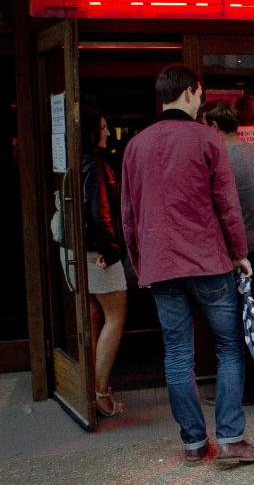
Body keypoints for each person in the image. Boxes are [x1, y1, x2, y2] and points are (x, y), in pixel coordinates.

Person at [121, 64, 254, 465]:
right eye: (200, 93)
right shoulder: (207, 139)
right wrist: (240, 253)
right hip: (208, 260)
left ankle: (192, 443)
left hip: (161, 265)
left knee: (176, 354)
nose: (202, 98)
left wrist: (140, 262)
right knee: (228, 348)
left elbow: (128, 212)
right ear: (189, 92)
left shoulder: (136, 145)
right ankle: (230, 439)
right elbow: (226, 205)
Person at [201, 101, 254, 404]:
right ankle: (250, 385)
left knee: (231, 327)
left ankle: (238, 390)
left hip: (229, 252)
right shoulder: (253, 153)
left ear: (213, 127)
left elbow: (218, 207)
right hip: (252, 243)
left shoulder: (220, 158)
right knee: (250, 320)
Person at [79, 109, 128, 417]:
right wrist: (112, 253)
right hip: (99, 254)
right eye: (103, 128)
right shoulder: (95, 168)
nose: (108, 133)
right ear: (91, 132)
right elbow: (101, 214)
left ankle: (91, 389)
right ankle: (100, 393)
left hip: (82, 251)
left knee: (95, 315)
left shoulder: (77, 164)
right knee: (116, 317)